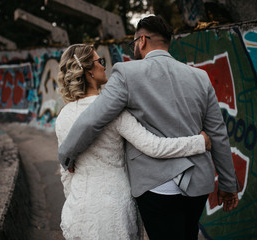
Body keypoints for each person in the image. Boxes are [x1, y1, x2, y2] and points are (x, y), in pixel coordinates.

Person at [58, 15, 239, 240]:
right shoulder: (200, 77)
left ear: (142, 41)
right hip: (198, 182)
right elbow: (218, 133)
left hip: (155, 186)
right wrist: (229, 184)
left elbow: (93, 119)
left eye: (133, 42)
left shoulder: (125, 73)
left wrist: (66, 155)